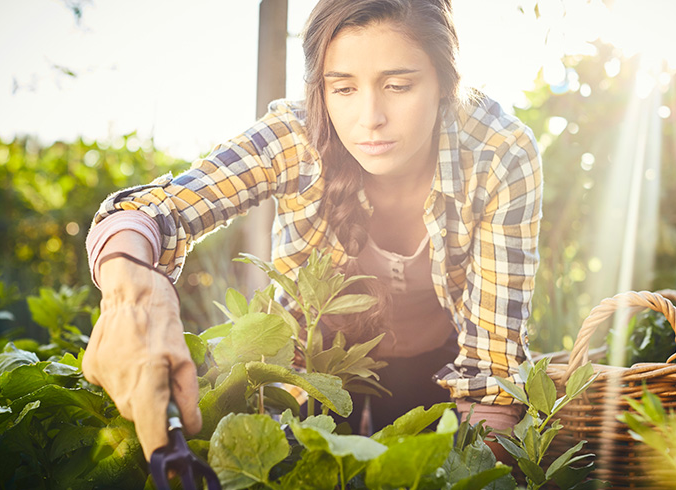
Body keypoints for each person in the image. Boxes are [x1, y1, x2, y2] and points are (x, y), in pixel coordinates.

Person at [81, 0, 542, 462]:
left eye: (398, 85)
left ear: (446, 82)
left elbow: (491, 375)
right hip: (317, 363)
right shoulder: (296, 137)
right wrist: (133, 291)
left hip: (441, 363)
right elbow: (158, 210)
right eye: (342, 88)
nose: (370, 117)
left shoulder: (499, 154)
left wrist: (482, 466)